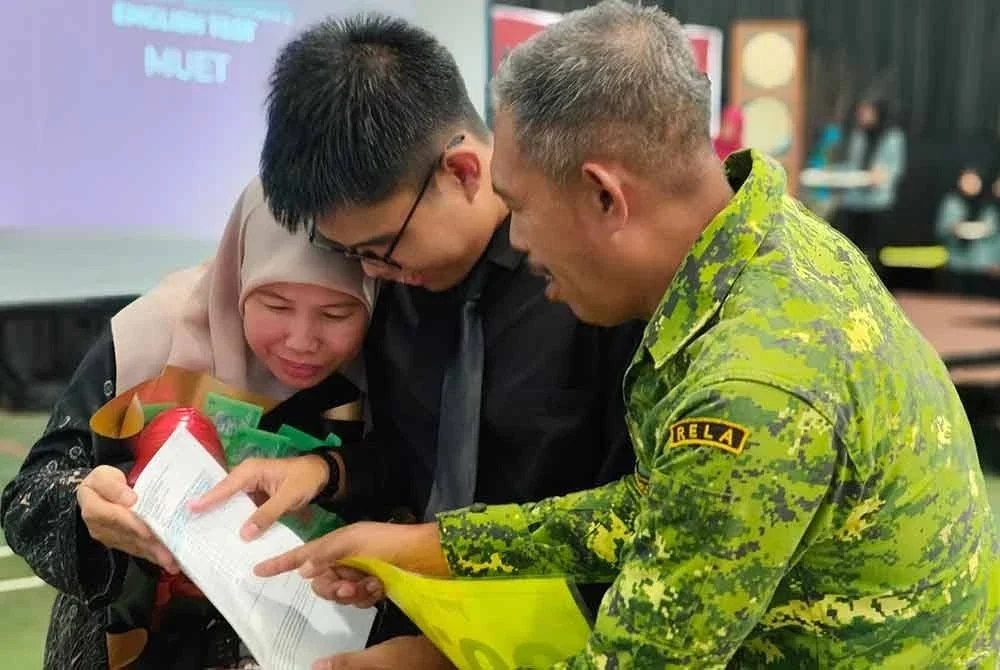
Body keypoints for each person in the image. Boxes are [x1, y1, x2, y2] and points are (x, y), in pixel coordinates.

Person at [252, 2, 1000, 667]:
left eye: (519, 206)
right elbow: (654, 502)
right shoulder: (763, 237)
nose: (514, 238)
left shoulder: (750, 390)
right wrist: (431, 547)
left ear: (607, 196)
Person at [192, 11, 644, 669]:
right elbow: (417, 460)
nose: (372, 273)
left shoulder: (588, 284)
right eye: (347, 252)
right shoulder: (402, 285)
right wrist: (327, 472)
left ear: (462, 172)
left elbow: (631, 526)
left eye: (379, 248)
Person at [0, 176, 374, 669]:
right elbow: (30, 497)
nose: (302, 340)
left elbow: (414, 488)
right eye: (276, 306)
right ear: (236, 279)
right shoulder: (151, 338)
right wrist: (85, 507)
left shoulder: (384, 365)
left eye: (335, 312)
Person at [835, 97, 907, 258]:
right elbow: (852, 164)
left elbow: (895, 168)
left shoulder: (892, 137)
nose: (863, 116)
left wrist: (882, 174)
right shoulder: (858, 135)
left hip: (877, 202)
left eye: (867, 112)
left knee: (875, 252)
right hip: (853, 201)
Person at [935, 165, 1000, 292]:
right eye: (966, 180)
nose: (970, 185)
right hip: (957, 266)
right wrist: (953, 229)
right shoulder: (952, 204)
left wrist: (996, 260)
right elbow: (941, 231)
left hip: (983, 268)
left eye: (974, 181)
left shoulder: (988, 207)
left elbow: (995, 236)